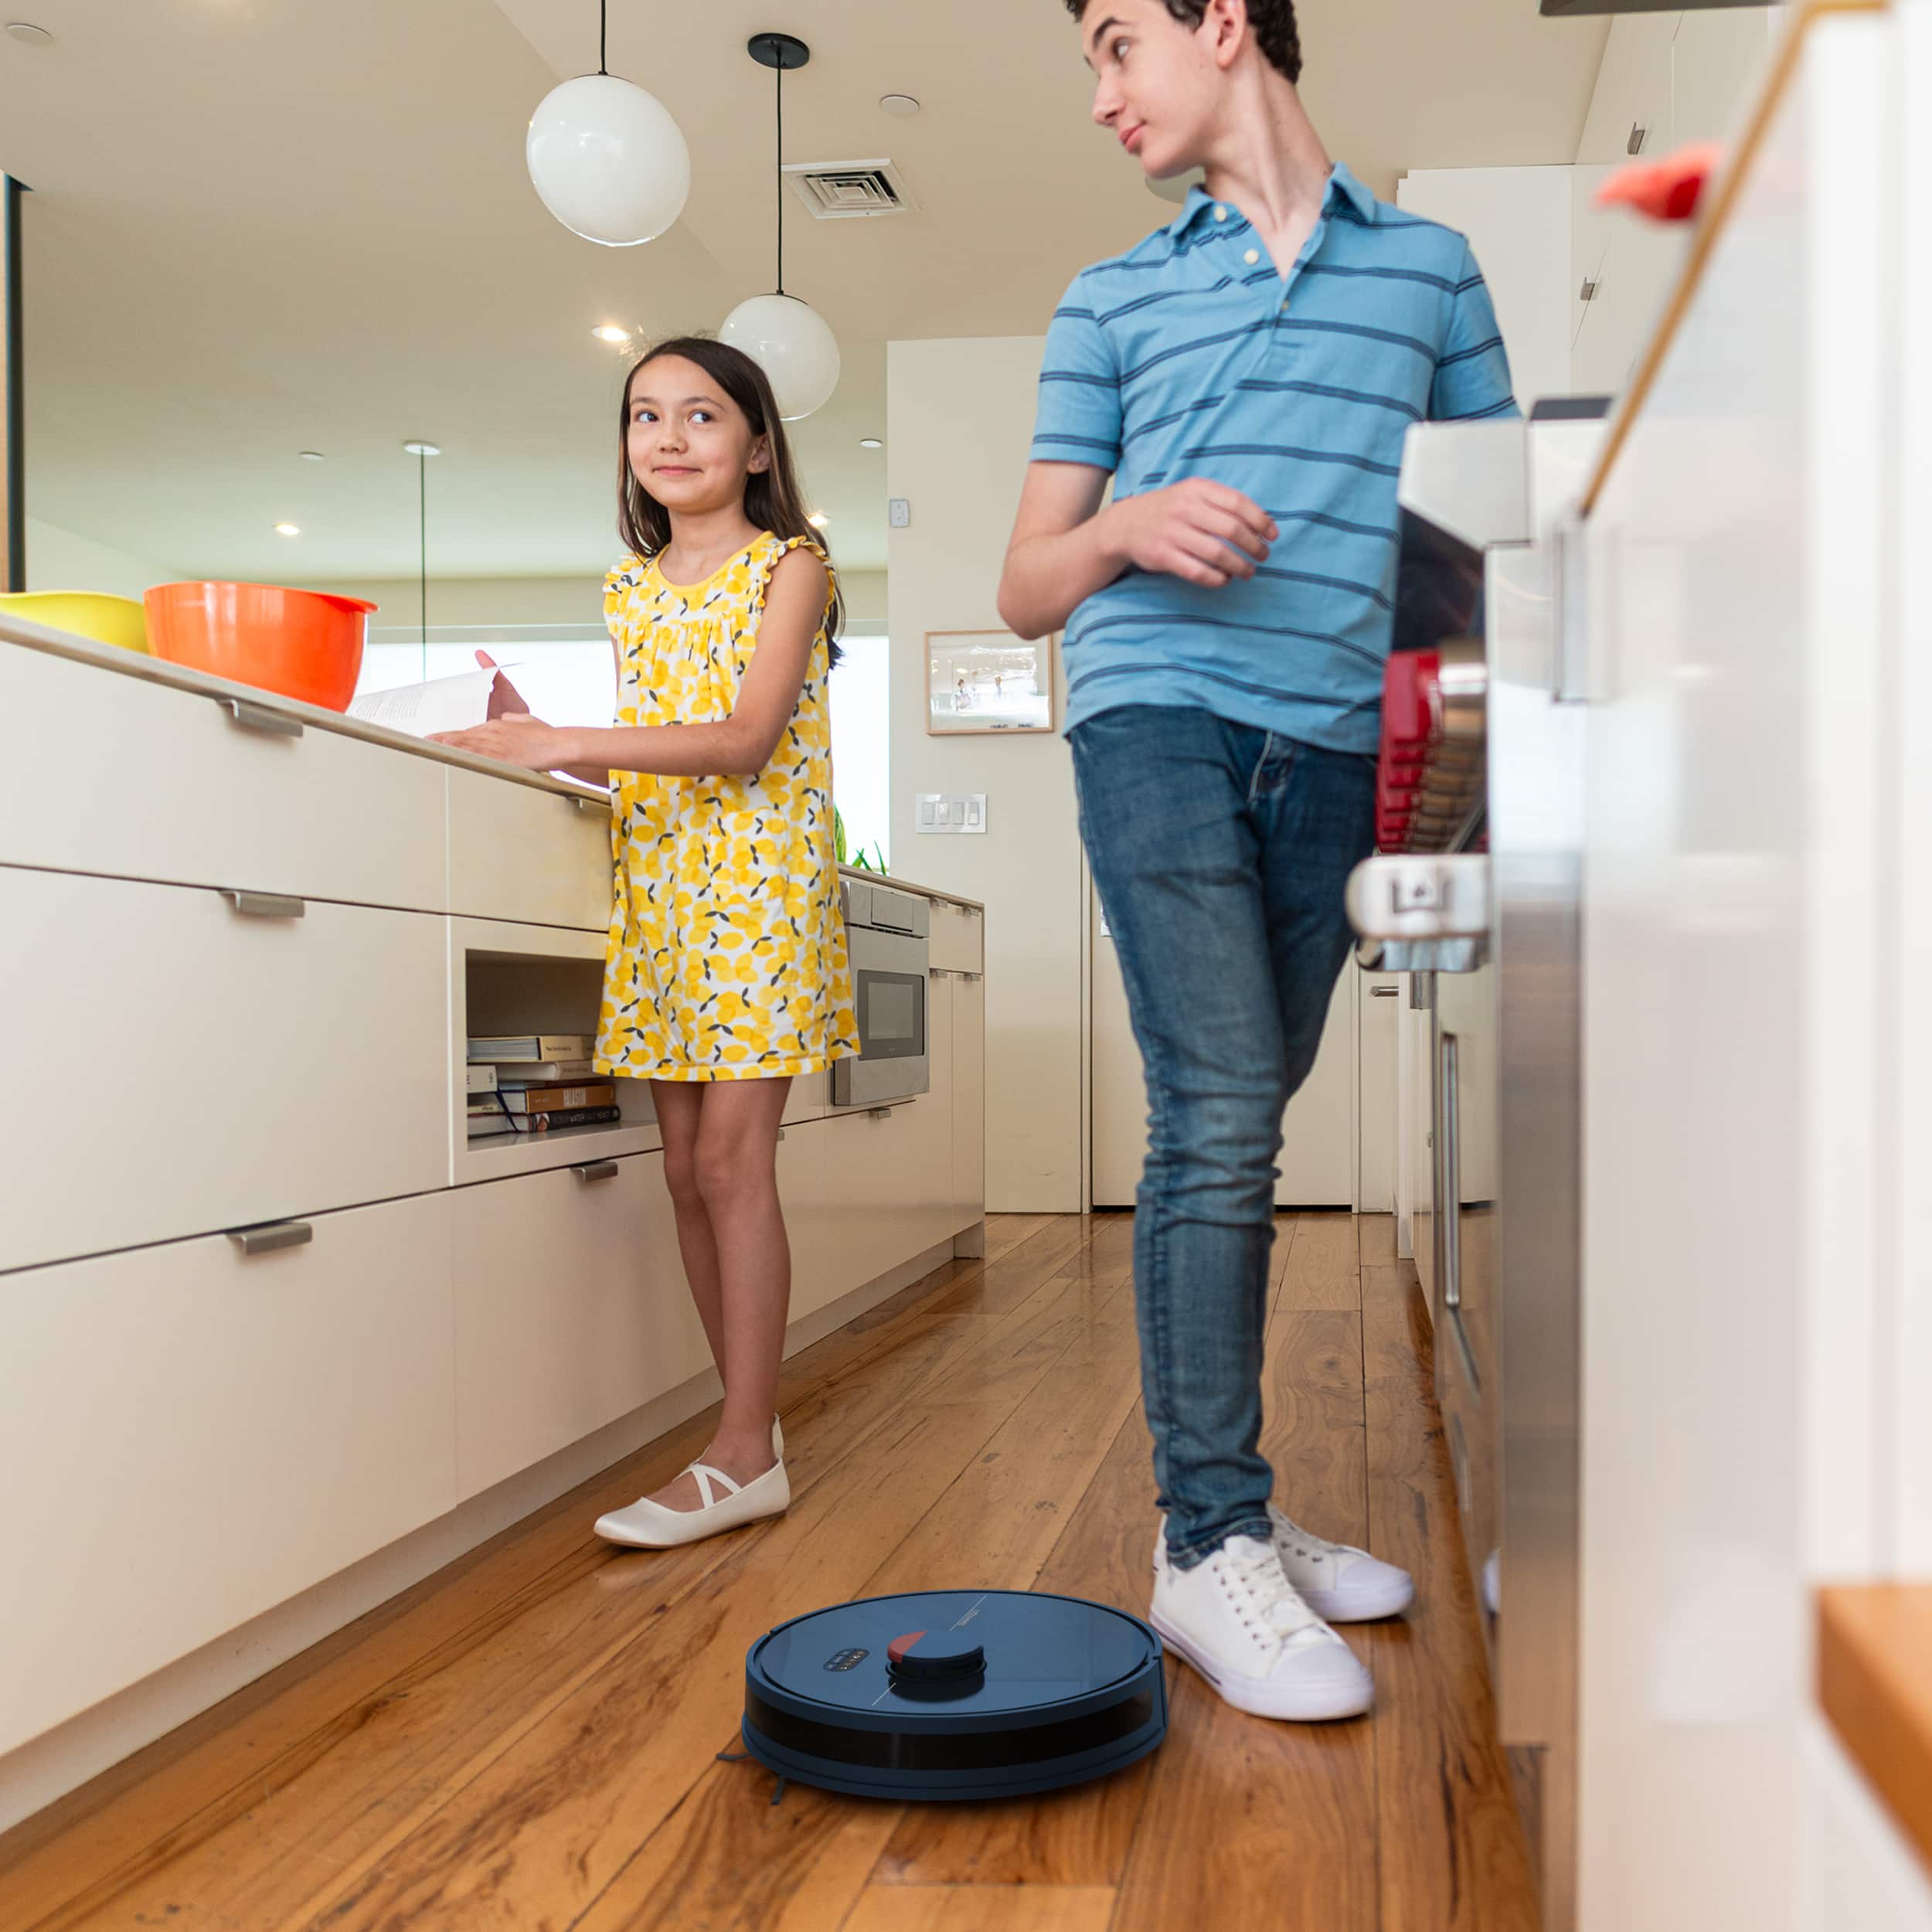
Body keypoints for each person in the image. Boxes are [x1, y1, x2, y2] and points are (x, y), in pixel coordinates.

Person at [997, 0, 1516, 1723]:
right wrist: (1127, 524)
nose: (1098, 95)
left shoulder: (1429, 269)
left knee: (1243, 1109)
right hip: (1153, 713)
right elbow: (1024, 584)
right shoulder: (1111, 298)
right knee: (1217, 1110)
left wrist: (1457, 803)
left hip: (1336, 749)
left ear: (1223, 22)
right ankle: (1203, 1537)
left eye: (1113, 44)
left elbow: (1485, 539)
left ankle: (1239, 1510)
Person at [434, 337, 859, 1549]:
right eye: (644, 415)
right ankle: (748, 1435)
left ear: (759, 446)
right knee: (682, 1172)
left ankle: (741, 1450)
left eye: (702, 415)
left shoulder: (793, 567)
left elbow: (741, 740)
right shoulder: (629, 588)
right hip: (663, 893)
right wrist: (536, 740)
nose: (668, 437)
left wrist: (566, 738)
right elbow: (652, 754)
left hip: (760, 893)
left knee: (730, 1165)